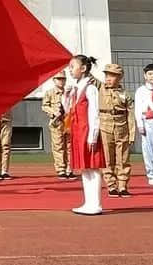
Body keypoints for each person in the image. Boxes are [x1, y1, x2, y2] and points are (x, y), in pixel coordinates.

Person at [64, 55, 105, 215]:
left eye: (72, 66)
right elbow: (68, 110)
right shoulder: (75, 88)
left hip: (87, 131)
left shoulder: (90, 88)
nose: (70, 69)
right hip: (77, 131)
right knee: (84, 168)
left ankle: (96, 204)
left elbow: (94, 112)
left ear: (83, 68)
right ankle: (88, 202)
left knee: (93, 168)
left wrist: (93, 135)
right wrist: (66, 96)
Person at [98, 64, 136, 197]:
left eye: (112, 76)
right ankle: (111, 185)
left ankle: (123, 185)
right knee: (108, 158)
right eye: (107, 75)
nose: (108, 78)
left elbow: (131, 115)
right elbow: (88, 78)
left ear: (119, 77)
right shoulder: (100, 88)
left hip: (122, 127)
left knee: (123, 158)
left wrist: (132, 133)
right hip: (105, 126)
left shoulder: (125, 94)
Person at [41, 73, 71, 179]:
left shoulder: (69, 92)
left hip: (68, 121)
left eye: (63, 79)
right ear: (54, 80)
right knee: (58, 146)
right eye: (58, 79)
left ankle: (69, 168)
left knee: (69, 146)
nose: (61, 81)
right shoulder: (50, 93)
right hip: (56, 122)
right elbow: (44, 106)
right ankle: (61, 169)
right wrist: (53, 112)